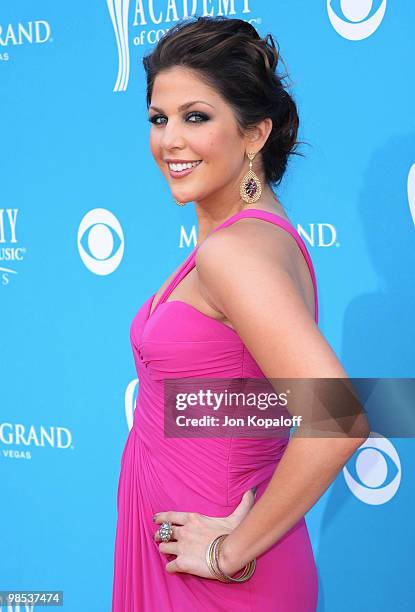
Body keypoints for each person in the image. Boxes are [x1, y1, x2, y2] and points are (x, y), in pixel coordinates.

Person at [112, 16, 369, 611]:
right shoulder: (259, 241)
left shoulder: (235, 253)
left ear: (254, 133)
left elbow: (337, 419)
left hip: (216, 576)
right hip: (194, 554)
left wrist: (228, 552)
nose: (170, 140)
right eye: (159, 119)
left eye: (195, 117)